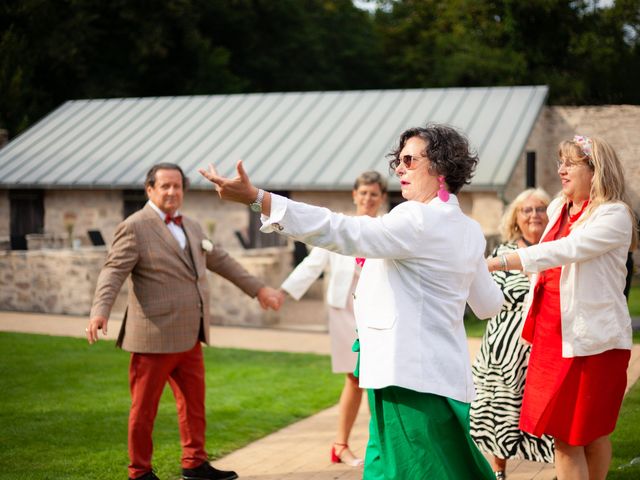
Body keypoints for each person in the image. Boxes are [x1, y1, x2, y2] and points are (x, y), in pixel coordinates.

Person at [199, 123, 505, 479]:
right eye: (398, 161)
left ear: (440, 166)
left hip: (408, 382)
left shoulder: (416, 217)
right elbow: (488, 305)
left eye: (409, 160)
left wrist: (258, 198)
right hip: (439, 378)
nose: (400, 169)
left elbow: (343, 230)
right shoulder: (468, 229)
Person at [86, 163, 283, 480]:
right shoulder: (134, 227)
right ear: (149, 189)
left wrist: (259, 289)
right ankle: (140, 472)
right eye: (164, 186)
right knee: (144, 410)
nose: (172, 192)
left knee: (193, 406)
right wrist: (100, 310)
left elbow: (221, 260)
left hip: (191, 334)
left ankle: (195, 464)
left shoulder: (191, 226)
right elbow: (112, 271)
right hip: (153, 337)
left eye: (177, 186)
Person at [486, 135, 638, 479]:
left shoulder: (614, 215)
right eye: (560, 162)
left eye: (570, 163)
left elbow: (566, 250)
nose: (561, 170)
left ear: (595, 170)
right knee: (565, 436)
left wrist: (498, 262)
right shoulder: (557, 207)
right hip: (552, 335)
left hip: (592, 340)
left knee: (589, 434)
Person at [279, 171, 387, 467]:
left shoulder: (389, 228)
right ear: (354, 195)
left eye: (374, 194)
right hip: (344, 311)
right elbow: (313, 263)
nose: (368, 199)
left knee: (380, 378)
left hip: (378, 311)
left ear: (382, 198)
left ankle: (376, 446)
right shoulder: (341, 228)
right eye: (363, 193)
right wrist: (283, 293)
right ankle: (341, 445)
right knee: (355, 378)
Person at [470, 188, 555, 478]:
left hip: (545, 349)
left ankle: (561, 468)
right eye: (526, 210)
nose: (534, 215)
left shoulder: (559, 249)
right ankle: (499, 471)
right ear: (516, 218)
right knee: (500, 412)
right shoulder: (503, 253)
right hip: (503, 350)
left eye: (540, 209)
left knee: (547, 412)